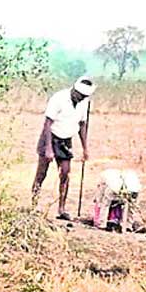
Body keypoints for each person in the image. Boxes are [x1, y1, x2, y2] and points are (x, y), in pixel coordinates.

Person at [32, 76, 94, 220]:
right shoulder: (59, 98)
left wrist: (85, 148)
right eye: (80, 96)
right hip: (50, 136)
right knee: (41, 173)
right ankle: (33, 205)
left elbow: (82, 125)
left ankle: (61, 209)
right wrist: (48, 148)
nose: (82, 99)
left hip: (65, 139)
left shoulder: (84, 103)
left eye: (85, 96)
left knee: (65, 173)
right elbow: (47, 123)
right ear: (74, 90)